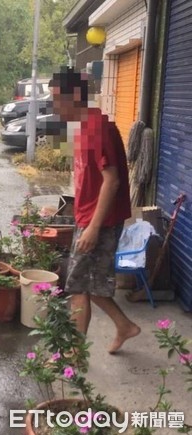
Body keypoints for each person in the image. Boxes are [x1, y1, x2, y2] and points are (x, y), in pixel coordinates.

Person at [50, 67, 140, 354]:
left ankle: (73, 357)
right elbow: (90, 180)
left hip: (98, 223)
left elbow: (111, 182)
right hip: (88, 218)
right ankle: (125, 326)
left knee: (77, 287)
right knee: (90, 284)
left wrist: (93, 227)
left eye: (57, 100)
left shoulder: (98, 128)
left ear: (75, 95)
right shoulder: (84, 127)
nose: (54, 107)